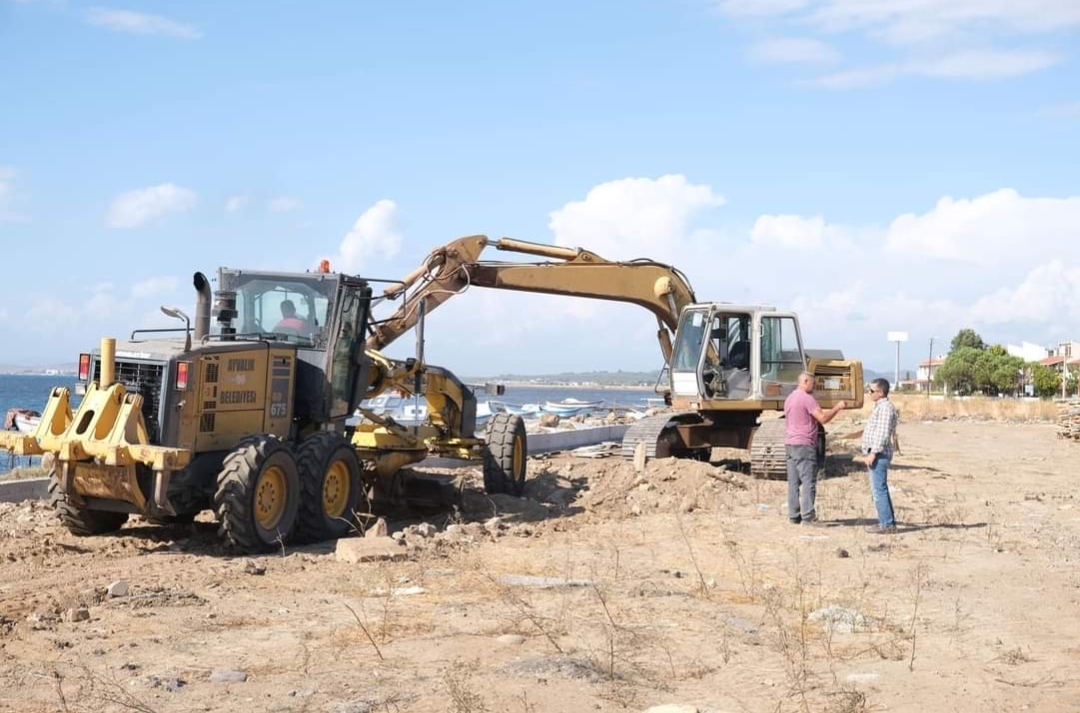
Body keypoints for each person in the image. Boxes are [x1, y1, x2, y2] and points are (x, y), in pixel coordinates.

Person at [784, 371, 847, 525]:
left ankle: (794, 515)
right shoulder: (807, 399)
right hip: (804, 444)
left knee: (793, 482)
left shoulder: (789, 398)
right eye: (813, 383)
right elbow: (823, 418)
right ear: (805, 381)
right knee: (808, 481)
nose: (814, 386)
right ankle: (807, 516)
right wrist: (837, 407)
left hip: (790, 443)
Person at [859, 378, 900, 534]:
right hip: (876, 453)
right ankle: (887, 521)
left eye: (871, 391)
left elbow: (882, 434)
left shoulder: (885, 408)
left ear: (881, 392)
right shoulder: (880, 407)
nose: (869, 394)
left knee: (879, 490)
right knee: (879, 489)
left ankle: (887, 524)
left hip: (879, 454)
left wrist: (873, 453)